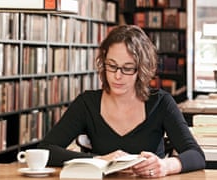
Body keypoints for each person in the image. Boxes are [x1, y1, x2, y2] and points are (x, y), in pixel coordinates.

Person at [37, 24, 206, 178]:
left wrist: (165, 165)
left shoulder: (161, 102)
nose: (117, 76)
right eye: (112, 65)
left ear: (141, 69)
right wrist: (98, 160)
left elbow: (196, 155)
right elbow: (46, 150)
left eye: (127, 68)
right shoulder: (87, 103)